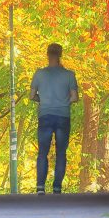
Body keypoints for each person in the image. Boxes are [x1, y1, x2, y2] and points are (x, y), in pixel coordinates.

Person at [29, 42, 79, 194]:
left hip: (45, 116)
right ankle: (57, 188)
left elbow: (31, 96)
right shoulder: (69, 75)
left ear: (47, 54)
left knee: (42, 152)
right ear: (60, 55)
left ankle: (40, 188)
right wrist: (64, 101)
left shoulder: (39, 74)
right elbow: (74, 97)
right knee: (61, 153)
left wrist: (42, 100)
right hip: (63, 116)